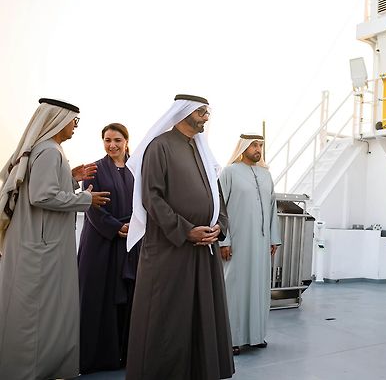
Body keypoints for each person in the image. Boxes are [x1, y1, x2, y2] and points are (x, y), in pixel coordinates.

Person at [125, 94, 234, 380]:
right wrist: (187, 230)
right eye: (201, 111)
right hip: (170, 249)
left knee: (200, 313)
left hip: (204, 247)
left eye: (207, 112)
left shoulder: (201, 149)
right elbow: (153, 198)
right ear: (183, 112)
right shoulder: (159, 147)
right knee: (168, 316)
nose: (206, 117)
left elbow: (217, 195)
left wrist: (219, 225)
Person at [0, 98, 110, 380]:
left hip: (36, 242)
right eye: (74, 120)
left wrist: (70, 179)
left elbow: (41, 187)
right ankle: (31, 372)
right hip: (41, 248)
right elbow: (42, 195)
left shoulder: (46, 150)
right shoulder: (49, 151)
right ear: (58, 120)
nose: (75, 126)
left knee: (35, 310)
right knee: (37, 312)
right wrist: (85, 198)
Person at [78, 122, 139, 374]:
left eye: (117, 140)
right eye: (107, 140)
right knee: (97, 299)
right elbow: (91, 205)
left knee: (128, 298)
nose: (112, 145)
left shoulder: (138, 168)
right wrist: (116, 228)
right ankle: (95, 359)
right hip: (100, 244)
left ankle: (124, 356)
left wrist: (135, 228)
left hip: (131, 243)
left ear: (126, 141)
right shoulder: (93, 169)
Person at [219, 134, 281, 355]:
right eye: (254, 145)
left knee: (258, 288)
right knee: (234, 289)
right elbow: (220, 208)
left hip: (262, 243)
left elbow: (273, 207)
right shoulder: (229, 172)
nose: (258, 149)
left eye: (260, 146)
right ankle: (232, 339)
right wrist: (224, 240)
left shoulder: (266, 174)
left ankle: (256, 337)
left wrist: (274, 238)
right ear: (243, 147)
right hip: (237, 242)